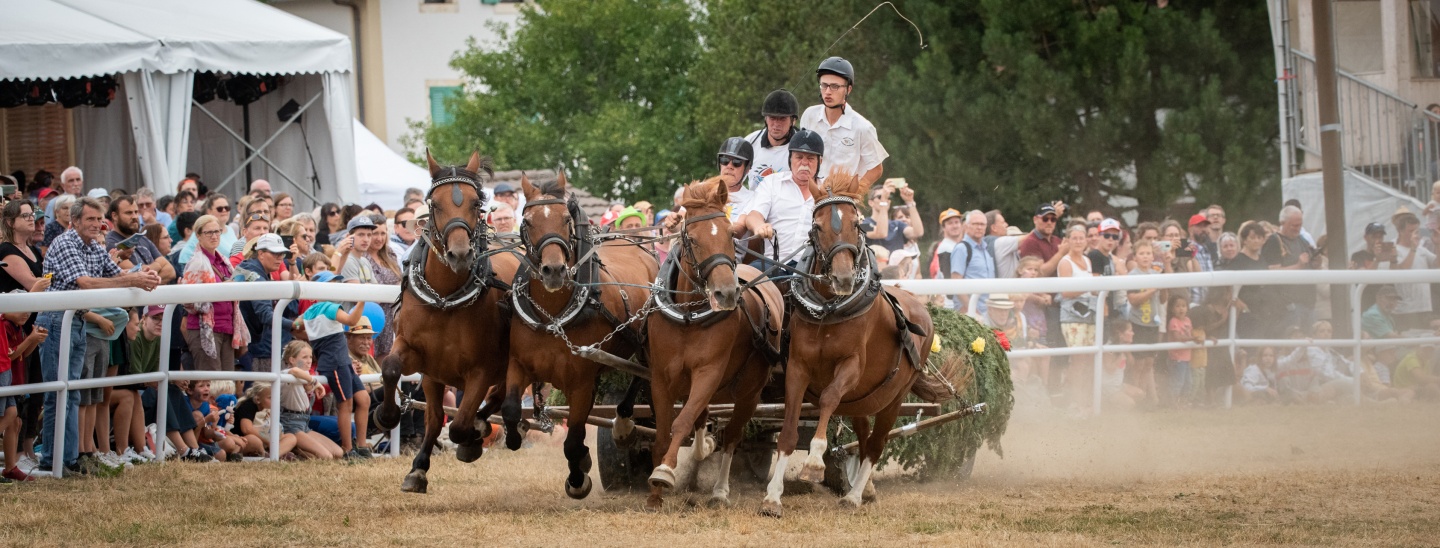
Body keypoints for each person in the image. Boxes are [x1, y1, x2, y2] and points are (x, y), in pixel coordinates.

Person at [38, 197, 161, 474]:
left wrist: (145, 273)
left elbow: (116, 273)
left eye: (99, 219)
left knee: (72, 393)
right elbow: (86, 283)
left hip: (77, 319)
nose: (97, 224)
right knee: (59, 393)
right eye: (91, 219)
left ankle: (69, 459)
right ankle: (55, 458)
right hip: (57, 320)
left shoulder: (94, 245)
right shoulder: (65, 242)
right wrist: (133, 279)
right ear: (75, 221)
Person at [298, 271, 372, 458]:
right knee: (345, 404)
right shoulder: (329, 307)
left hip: (339, 361)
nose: (336, 286)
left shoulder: (309, 312)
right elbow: (352, 321)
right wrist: (362, 300)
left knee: (363, 399)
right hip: (336, 362)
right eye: (332, 283)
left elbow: (296, 326)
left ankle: (360, 446)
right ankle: (349, 449)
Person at [739, 128, 824, 267]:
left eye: (810, 158)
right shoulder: (771, 183)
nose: (804, 163)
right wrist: (759, 226)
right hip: (773, 264)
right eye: (799, 157)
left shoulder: (829, 191)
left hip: (813, 269)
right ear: (790, 158)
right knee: (743, 277)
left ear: (820, 160)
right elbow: (753, 215)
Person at [800, 57, 888, 186]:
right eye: (824, 85)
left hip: (840, 200)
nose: (828, 92)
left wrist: (851, 195)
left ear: (848, 89)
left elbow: (876, 169)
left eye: (835, 86)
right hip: (810, 195)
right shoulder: (809, 115)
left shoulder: (863, 127)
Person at [181, 215, 247, 372]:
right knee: (211, 383)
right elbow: (189, 302)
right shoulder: (196, 263)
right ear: (198, 236)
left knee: (226, 383)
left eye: (217, 232)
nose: (214, 236)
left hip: (227, 327)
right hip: (204, 329)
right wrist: (222, 288)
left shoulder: (224, 261)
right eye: (208, 232)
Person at [235, 233, 296, 374]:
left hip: (244, 343)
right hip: (250, 349)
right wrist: (294, 325)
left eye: (282, 254)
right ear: (261, 254)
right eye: (275, 253)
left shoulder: (250, 269)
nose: (280, 258)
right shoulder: (255, 275)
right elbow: (265, 315)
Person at [2, 311, 47, 482]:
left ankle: (10, 467)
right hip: (6, 381)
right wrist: (30, 339)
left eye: (28, 311)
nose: (26, 314)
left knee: (15, 423)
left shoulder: (17, 327)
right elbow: (10, 354)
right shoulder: (5, 326)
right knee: (11, 417)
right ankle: (10, 466)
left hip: (13, 382)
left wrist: (34, 341)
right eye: (21, 310)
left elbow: (21, 354)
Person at [278, 341, 343, 459]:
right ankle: (294, 449)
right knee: (326, 456)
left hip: (304, 422)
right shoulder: (286, 374)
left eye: (310, 357)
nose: (309, 360)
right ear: (292, 360)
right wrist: (315, 383)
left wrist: (310, 384)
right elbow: (294, 371)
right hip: (290, 423)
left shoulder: (306, 375)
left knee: (338, 453)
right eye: (304, 357)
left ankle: (298, 450)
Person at [1261, 205, 1318, 337]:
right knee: (1291, 345)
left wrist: (1316, 263)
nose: (1297, 228)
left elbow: (1309, 264)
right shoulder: (1274, 241)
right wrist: (1298, 266)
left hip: (1308, 303)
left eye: (1300, 225)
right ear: (1282, 223)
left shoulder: (1302, 240)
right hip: (1289, 306)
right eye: (1293, 225)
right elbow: (1271, 273)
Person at [1057, 224, 1097, 411]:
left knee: (1088, 359)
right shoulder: (1065, 263)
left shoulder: (1087, 261)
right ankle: (1074, 402)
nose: (1079, 241)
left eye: (1082, 238)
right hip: (1072, 316)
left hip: (1089, 315)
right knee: (1078, 360)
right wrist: (1090, 285)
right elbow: (1066, 291)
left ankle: (1085, 401)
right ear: (1068, 240)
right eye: (1075, 238)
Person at [1126, 241, 1168, 408]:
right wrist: (1152, 289)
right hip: (1137, 324)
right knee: (1138, 363)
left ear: (1153, 256)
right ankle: (1136, 398)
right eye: (1142, 253)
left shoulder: (1156, 274)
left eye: (1148, 253)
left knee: (1149, 362)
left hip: (1152, 324)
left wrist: (1164, 287)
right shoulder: (1132, 276)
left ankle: (1143, 398)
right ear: (1135, 257)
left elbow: (1163, 300)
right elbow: (1133, 300)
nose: (1145, 256)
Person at [106, 196, 177, 284]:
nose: (135, 216)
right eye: (129, 213)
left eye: (136, 212)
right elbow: (136, 274)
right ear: (114, 216)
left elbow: (170, 271)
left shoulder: (142, 238)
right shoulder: (111, 243)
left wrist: (148, 281)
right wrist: (157, 265)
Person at [744, 89, 800, 186]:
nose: (776, 124)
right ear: (765, 119)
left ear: (793, 120)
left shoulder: (802, 145)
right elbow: (733, 181)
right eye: (772, 118)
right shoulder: (749, 142)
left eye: (782, 118)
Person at [1390, 210, 1435, 328]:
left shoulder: (1422, 250)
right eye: (1411, 231)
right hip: (1404, 310)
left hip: (1424, 307)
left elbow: (1436, 265)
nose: (1416, 235)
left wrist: (1438, 245)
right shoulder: (1394, 249)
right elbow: (1402, 270)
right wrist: (1413, 249)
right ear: (1400, 231)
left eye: (1417, 231)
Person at [231, 383, 298, 458]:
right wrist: (269, 441)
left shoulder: (270, 408)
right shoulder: (248, 405)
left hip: (265, 440)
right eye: (270, 398)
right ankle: (265, 454)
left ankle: (273, 455)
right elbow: (246, 429)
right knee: (255, 440)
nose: (275, 401)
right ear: (258, 399)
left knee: (291, 437)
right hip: (244, 440)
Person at [950, 210, 996, 315]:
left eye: (982, 224)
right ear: (966, 227)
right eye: (975, 224)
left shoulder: (985, 249)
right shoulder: (962, 248)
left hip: (986, 311)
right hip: (970, 313)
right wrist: (972, 310)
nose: (979, 227)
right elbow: (956, 283)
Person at [177, 194, 237, 266]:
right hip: (194, 267)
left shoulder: (230, 229)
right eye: (219, 209)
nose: (224, 210)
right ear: (209, 211)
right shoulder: (203, 229)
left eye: (227, 208)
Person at [863, 180, 922, 253]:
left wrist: (910, 202)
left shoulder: (897, 224)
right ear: (871, 203)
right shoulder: (863, 224)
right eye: (880, 197)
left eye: (888, 196)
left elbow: (918, 232)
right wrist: (883, 203)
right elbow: (881, 233)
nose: (885, 199)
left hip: (896, 264)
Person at [1100, 320, 1147, 412]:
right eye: (1130, 331)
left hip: (1118, 385)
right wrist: (1121, 354)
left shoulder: (1122, 346)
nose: (1133, 333)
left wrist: (1127, 351)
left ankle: (1114, 408)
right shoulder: (1109, 347)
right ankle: (1109, 411)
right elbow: (1110, 369)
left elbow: (1131, 364)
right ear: (1120, 334)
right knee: (1130, 404)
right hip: (1108, 388)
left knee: (1141, 394)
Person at [716, 137, 756, 230]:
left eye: (736, 162)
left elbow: (739, 230)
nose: (729, 166)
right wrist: (675, 221)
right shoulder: (701, 189)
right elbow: (681, 222)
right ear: (719, 164)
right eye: (724, 160)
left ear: (747, 168)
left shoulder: (753, 198)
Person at [1186, 213, 1214, 304]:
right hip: (1191, 304)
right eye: (1199, 226)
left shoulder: (1207, 250)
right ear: (1190, 229)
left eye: (1205, 226)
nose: (1203, 229)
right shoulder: (1184, 247)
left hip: (1207, 304)